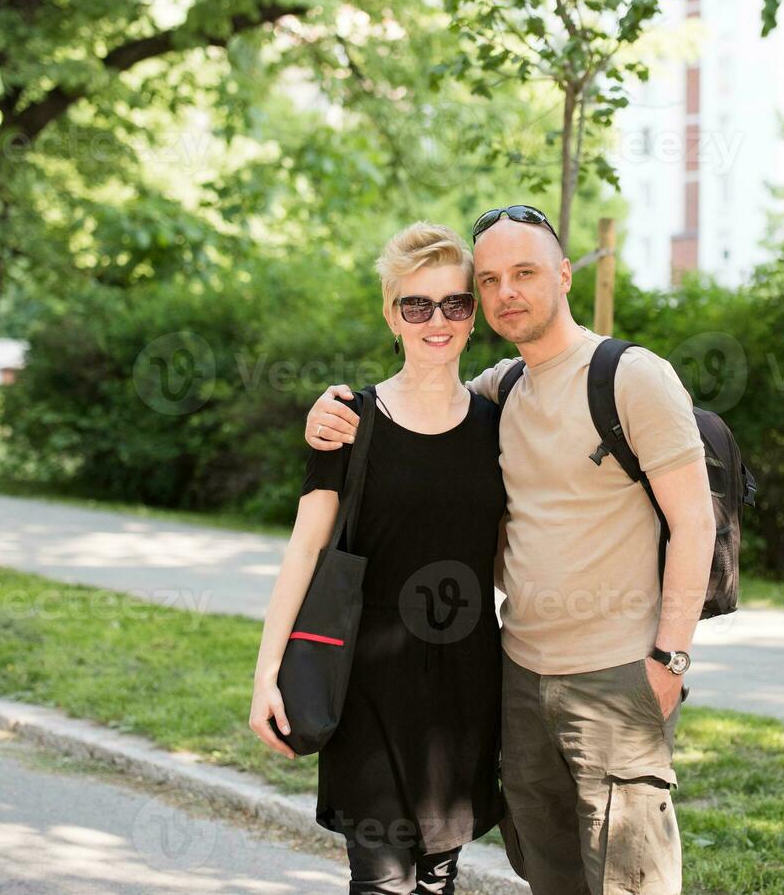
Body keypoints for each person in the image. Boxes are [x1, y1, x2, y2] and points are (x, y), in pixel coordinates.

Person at [304, 205, 715, 894]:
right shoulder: (500, 389)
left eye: (523, 273)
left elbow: (694, 521)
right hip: (520, 679)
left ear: (562, 275)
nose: (506, 292)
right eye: (489, 280)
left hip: (617, 677)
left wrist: (668, 659)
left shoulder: (631, 377)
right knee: (549, 876)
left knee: (632, 883)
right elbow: (418, 416)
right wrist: (332, 413)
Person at [250, 223, 507, 895]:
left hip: (464, 684)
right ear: (391, 315)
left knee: (437, 882)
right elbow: (304, 549)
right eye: (414, 305)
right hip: (366, 680)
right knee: (383, 883)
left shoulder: (497, 424)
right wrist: (266, 675)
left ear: (472, 315)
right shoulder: (348, 421)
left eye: (453, 303)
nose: (435, 322)